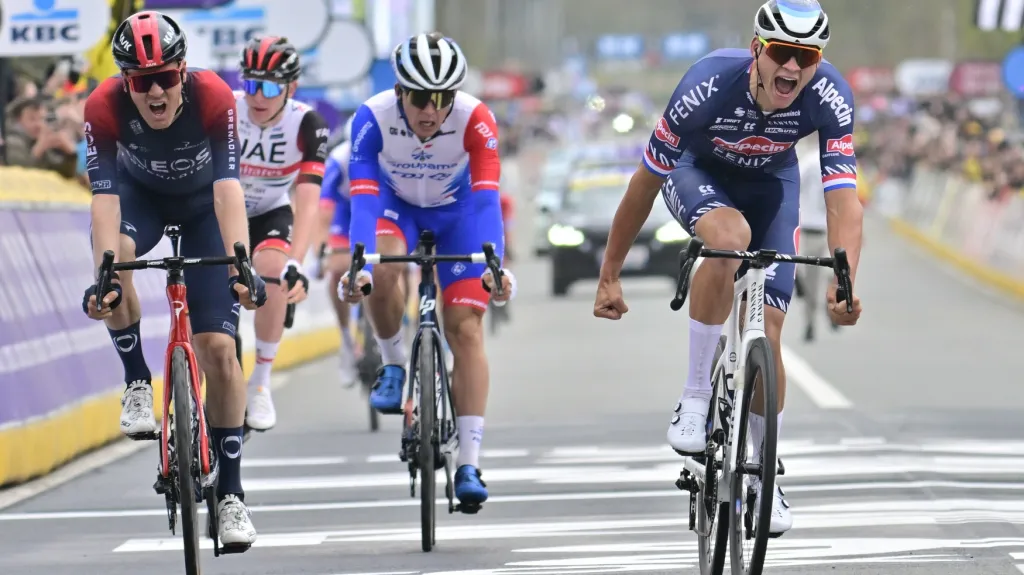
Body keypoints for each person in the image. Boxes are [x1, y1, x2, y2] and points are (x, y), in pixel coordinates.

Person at [592, 0, 864, 537]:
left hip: (771, 186)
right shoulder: (708, 83)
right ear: (759, 50)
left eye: (805, 57)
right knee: (730, 239)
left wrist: (845, 280)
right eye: (782, 53)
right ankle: (695, 395)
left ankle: (767, 473)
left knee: (772, 331)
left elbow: (844, 199)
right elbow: (643, 185)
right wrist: (610, 272)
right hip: (698, 173)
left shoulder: (830, 93)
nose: (792, 68)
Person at [81, 11, 266, 548]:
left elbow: (229, 189)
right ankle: (137, 380)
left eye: (166, 77)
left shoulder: (214, 96)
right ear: (125, 82)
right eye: (142, 81)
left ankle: (231, 495)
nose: (156, 91)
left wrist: (241, 263)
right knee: (114, 270)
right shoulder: (102, 106)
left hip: (205, 209)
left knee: (219, 352)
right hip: (140, 202)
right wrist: (104, 272)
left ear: (184, 72)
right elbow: (105, 201)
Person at [339, 32, 515, 511]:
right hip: (398, 209)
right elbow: (364, 195)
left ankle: (470, 464)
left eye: (442, 98)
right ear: (400, 92)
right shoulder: (372, 117)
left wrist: (494, 263)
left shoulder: (476, 119)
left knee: (467, 330)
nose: (431, 109)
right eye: (420, 97)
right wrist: (358, 259)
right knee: (384, 263)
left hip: (458, 216)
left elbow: (485, 199)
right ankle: (394, 362)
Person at [235, 36, 328, 431]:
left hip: (272, 210)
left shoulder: (307, 124)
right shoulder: (226, 109)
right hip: (224, 210)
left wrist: (297, 263)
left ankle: (260, 383)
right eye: (252, 84)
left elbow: (307, 202)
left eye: (270, 87)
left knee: (271, 266)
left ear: (290, 88)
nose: (259, 96)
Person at [316, 115, 361, 386]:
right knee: (338, 268)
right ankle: (347, 338)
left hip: (378, 209)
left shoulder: (390, 156)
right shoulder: (339, 159)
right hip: (345, 214)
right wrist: (322, 251)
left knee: (395, 266)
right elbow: (324, 213)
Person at [795, 135, 837, 341]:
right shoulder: (814, 163)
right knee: (821, 279)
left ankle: (830, 312)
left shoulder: (811, 162)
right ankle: (812, 322)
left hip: (823, 228)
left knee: (826, 278)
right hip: (818, 228)